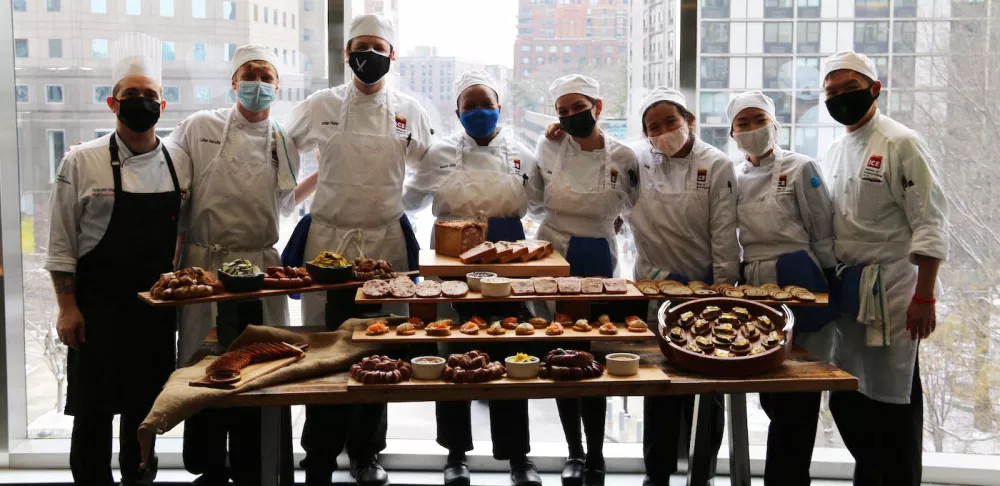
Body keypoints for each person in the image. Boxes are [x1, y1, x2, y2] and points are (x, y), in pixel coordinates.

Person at [283, 14, 433, 486]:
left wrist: (397, 206)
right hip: (329, 242)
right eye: (359, 47)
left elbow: (430, 168)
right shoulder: (320, 104)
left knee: (378, 349)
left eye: (377, 47)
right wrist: (295, 199)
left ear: (392, 55)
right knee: (325, 352)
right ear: (347, 54)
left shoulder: (410, 110)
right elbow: (282, 154)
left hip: (385, 241)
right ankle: (320, 455)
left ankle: (367, 452)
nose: (367, 56)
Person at [44, 33, 191, 485]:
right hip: (97, 309)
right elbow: (61, 241)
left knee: (144, 411)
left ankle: (140, 477)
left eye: (151, 96)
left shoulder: (179, 161)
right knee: (92, 412)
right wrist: (67, 306)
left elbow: (183, 231)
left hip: (154, 310)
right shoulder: (81, 161)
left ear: (163, 107)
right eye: (132, 95)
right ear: (113, 103)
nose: (141, 102)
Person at [167, 45, 305, 486]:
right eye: (251, 74)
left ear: (278, 87)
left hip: (261, 264)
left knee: (263, 364)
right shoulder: (199, 126)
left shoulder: (282, 139)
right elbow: (170, 180)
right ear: (233, 81)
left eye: (268, 77)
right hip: (206, 264)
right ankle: (209, 465)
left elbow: (285, 202)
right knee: (205, 362)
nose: (259, 85)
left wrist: (326, 179)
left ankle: (260, 465)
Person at [403, 70, 541, 486]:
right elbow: (410, 198)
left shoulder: (522, 154)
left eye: (486, 105)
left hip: (506, 251)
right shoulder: (440, 151)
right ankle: (455, 454)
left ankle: (518, 457)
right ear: (458, 112)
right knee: (450, 348)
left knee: (510, 347)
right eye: (470, 106)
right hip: (451, 250)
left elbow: (543, 208)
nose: (479, 112)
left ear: (500, 109)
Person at [821, 51, 948, 485]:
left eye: (850, 89)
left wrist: (925, 296)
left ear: (874, 89)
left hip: (893, 290)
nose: (840, 98)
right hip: (850, 289)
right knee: (850, 397)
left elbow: (929, 222)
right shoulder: (836, 149)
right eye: (831, 92)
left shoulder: (901, 143)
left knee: (893, 401)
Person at [531, 74, 641, 486]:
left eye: (579, 108)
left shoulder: (625, 155)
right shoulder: (550, 144)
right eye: (563, 111)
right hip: (555, 248)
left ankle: (596, 452)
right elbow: (537, 197)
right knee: (559, 348)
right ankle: (573, 450)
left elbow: (633, 205)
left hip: (598, 250)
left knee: (591, 351)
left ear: (598, 108)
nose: (571, 117)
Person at [625, 88, 737, 486]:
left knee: (707, 391)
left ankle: (702, 473)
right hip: (652, 287)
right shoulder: (637, 159)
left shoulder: (717, 164)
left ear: (689, 120)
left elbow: (725, 235)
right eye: (653, 127)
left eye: (670, 121)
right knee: (659, 386)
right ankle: (657, 473)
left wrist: (722, 293)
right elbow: (598, 159)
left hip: (703, 288)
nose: (663, 131)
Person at [727, 91, 837, 484]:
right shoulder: (734, 177)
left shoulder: (801, 166)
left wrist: (829, 286)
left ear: (775, 124)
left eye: (759, 120)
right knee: (770, 388)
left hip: (798, 275)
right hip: (754, 281)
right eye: (744, 123)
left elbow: (823, 230)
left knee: (799, 388)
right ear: (732, 132)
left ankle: (787, 478)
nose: (753, 129)